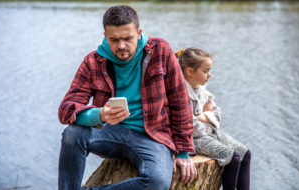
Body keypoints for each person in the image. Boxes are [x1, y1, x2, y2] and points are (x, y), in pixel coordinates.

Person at [58, 5, 197, 190]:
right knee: (72, 135)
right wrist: (99, 115)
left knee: (157, 183)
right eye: (114, 40)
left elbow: (180, 103)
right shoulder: (93, 61)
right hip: (109, 133)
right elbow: (66, 109)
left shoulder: (161, 51)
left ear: (139, 33)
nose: (121, 46)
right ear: (105, 35)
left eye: (127, 38)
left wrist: (183, 153)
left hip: (153, 136)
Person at [176, 48, 251, 190]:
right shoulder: (180, 93)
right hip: (192, 139)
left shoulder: (201, 89)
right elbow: (191, 127)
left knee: (245, 153)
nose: (209, 75)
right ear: (189, 71)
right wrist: (207, 120)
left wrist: (202, 116)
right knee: (233, 158)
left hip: (208, 132)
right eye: (205, 71)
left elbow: (217, 112)